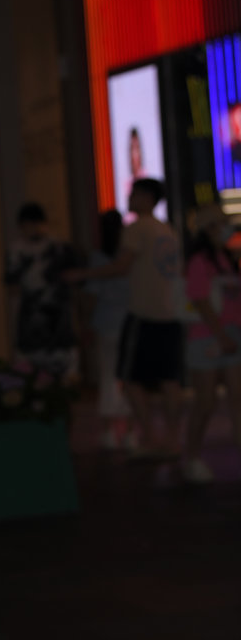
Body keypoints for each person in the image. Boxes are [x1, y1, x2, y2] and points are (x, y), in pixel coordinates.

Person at [70, 179, 184, 460]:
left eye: (133, 194)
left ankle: (151, 437)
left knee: (129, 377)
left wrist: (82, 275)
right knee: (169, 380)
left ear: (145, 197)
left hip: (143, 313)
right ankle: (172, 439)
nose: (129, 198)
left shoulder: (137, 228)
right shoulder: (166, 230)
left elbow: (121, 267)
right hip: (169, 313)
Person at [182, 202, 241, 483]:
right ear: (207, 229)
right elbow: (200, 301)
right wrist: (221, 335)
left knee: (237, 398)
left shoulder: (226, 258)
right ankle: (191, 458)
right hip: (206, 338)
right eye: (219, 224)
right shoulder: (199, 262)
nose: (226, 228)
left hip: (232, 334)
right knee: (205, 402)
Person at [3, 202, 79, 377]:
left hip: (57, 320)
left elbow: (74, 280)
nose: (30, 230)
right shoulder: (17, 250)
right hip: (32, 320)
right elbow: (12, 286)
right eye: (26, 226)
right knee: (32, 373)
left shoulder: (59, 248)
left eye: (32, 224)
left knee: (61, 370)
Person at [84, 210, 131, 450]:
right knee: (130, 378)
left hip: (106, 323)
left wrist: (86, 323)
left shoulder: (98, 258)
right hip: (129, 322)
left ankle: (109, 431)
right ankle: (130, 432)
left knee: (108, 376)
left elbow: (93, 294)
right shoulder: (128, 256)